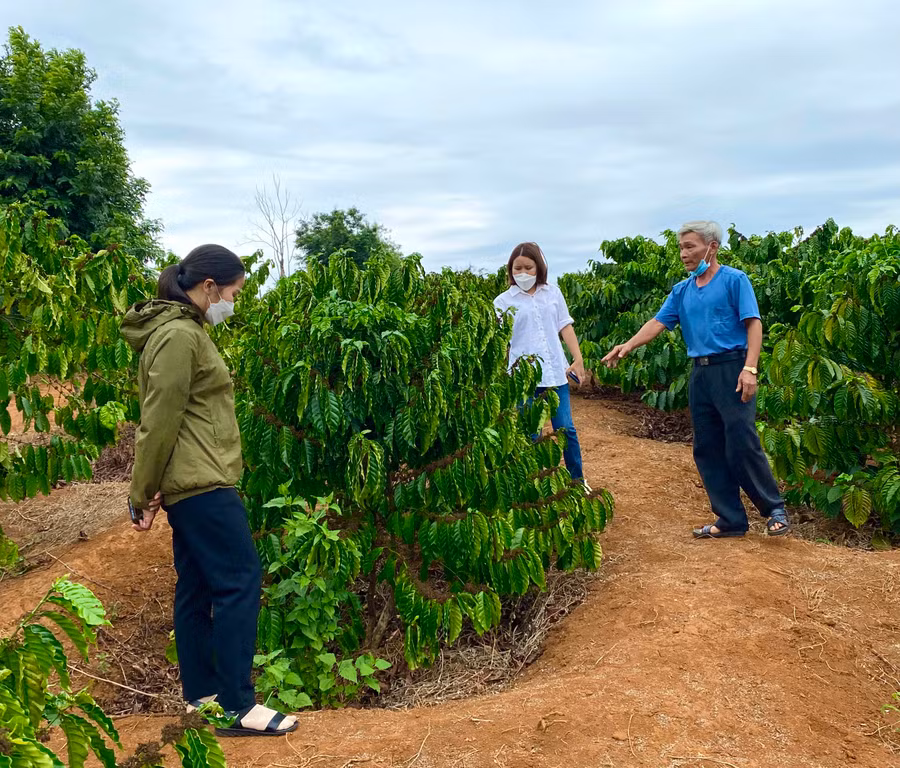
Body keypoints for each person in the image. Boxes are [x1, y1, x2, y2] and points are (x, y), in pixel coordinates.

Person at [122, 245, 298, 736]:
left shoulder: (181, 330)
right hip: (202, 483)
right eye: (234, 293)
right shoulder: (180, 335)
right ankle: (239, 706)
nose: (233, 303)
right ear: (209, 288)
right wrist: (141, 492)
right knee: (240, 580)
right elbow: (159, 418)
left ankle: (202, 699)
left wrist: (151, 489)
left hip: (190, 481)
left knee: (197, 585)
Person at [602, 221, 791, 539]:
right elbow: (657, 322)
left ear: (712, 247)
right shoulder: (682, 290)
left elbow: (753, 324)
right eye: (680, 248)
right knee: (707, 446)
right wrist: (628, 344)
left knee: (741, 439)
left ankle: (774, 509)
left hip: (732, 368)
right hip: (700, 373)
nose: (683, 254)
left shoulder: (734, 280)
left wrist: (751, 368)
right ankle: (730, 519)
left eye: (690, 246)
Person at [494, 242, 590, 490]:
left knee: (566, 429)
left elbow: (565, 326)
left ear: (539, 267)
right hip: (521, 379)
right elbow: (499, 341)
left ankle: (577, 481)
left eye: (528, 267)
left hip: (555, 374)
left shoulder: (552, 293)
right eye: (518, 268)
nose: (523, 273)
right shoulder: (503, 301)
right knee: (529, 434)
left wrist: (577, 358)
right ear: (510, 269)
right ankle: (535, 484)